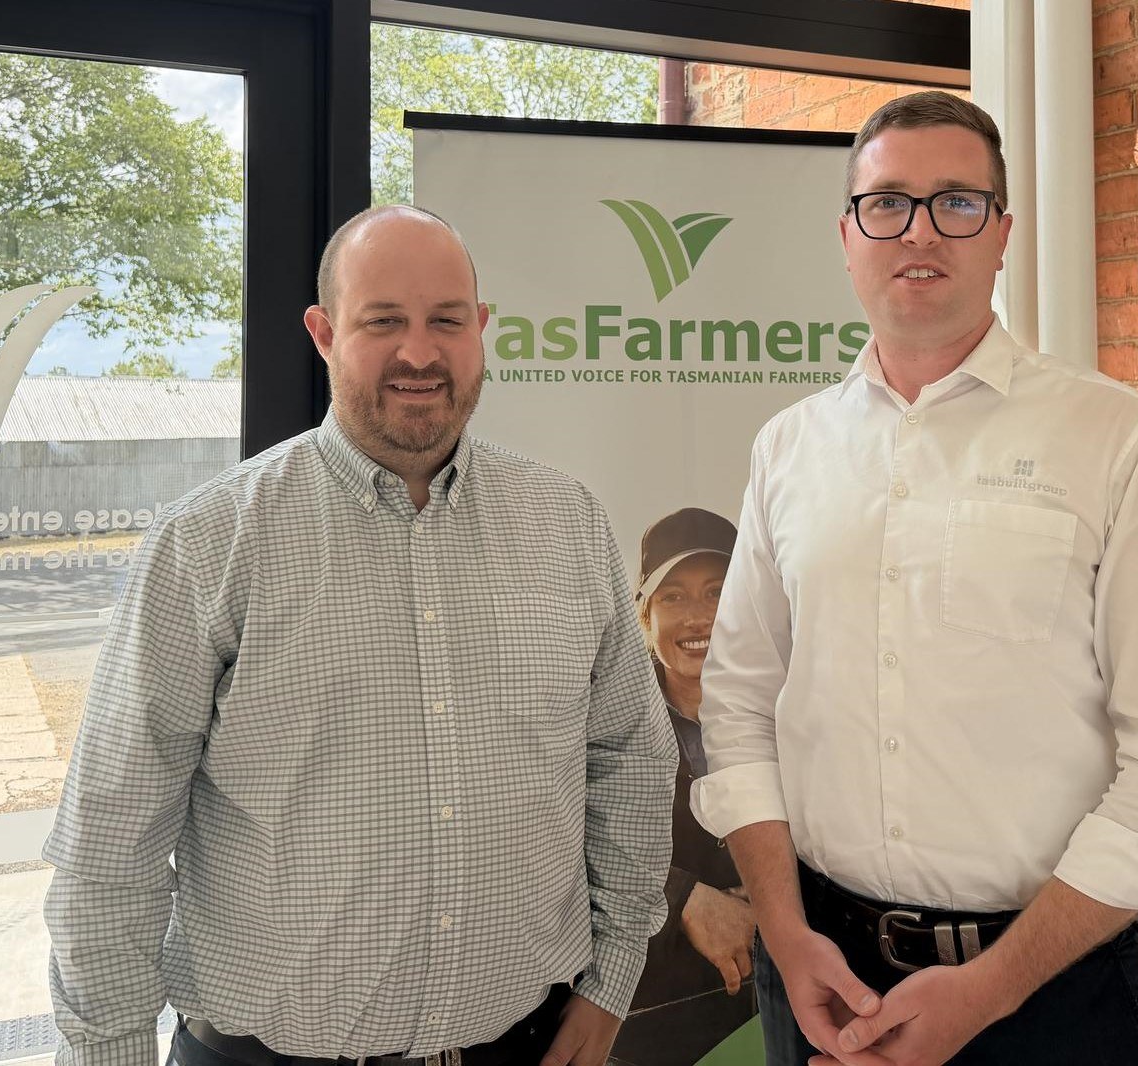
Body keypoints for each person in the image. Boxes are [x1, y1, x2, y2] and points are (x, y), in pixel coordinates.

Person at [43, 204, 677, 1066]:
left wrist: (612, 981)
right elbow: (111, 841)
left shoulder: (566, 524)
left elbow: (631, 759)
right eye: (383, 321)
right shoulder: (209, 544)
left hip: (527, 1042)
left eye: (446, 320)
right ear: (323, 331)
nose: (419, 352)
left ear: (481, 329)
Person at [690, 90, 1138, 1066]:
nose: (920, 230)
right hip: (820, 977)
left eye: (957, 202)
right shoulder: (788, 450)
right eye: (887, 203)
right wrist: (782, 930)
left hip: (1047, 996)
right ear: (848, 234)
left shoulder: (1117, 440)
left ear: (1002, 233)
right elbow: (737, 705)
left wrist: (989, 992)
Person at [609, 508, 756, 1066]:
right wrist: (681, 898)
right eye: (672, 597)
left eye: (717, 592)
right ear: (642, 614)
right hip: (652, 1025)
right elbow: (552, 839)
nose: (697, 618)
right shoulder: (599, 721)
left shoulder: (799, 714)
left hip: (788, 1009)